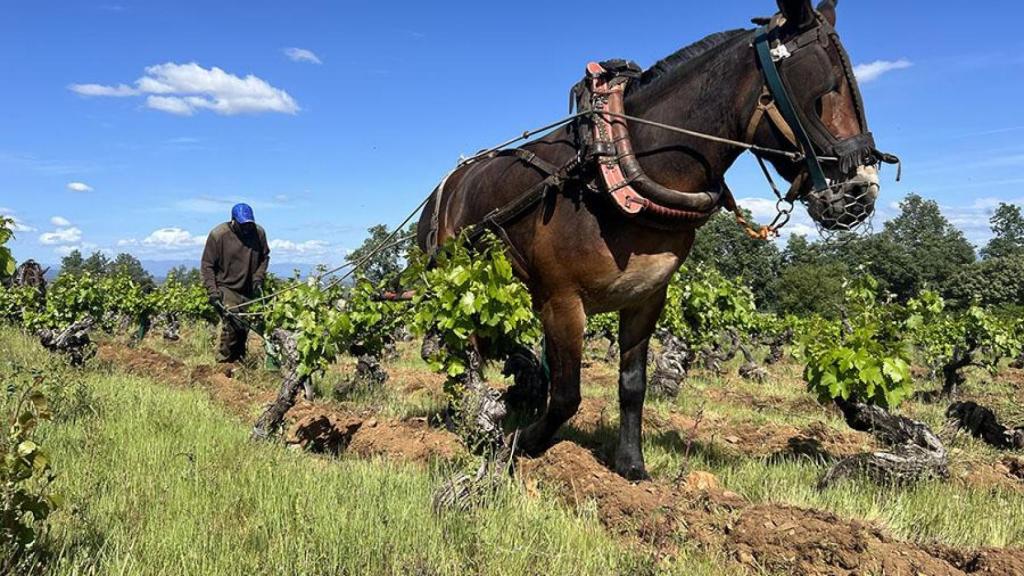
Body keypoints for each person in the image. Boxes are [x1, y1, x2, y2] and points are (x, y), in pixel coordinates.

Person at [201, 203, 271, 363]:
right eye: (242, 225)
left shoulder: (258, 233)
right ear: (233, 221)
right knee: (232, 322)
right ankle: (223, 362)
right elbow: (207, 265)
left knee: (244, 326)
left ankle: (238, 360)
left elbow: (265, 257)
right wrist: (212, 291)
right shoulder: (218, 235)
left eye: (249, 224)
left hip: (248, 288)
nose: (246, 228)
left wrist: (259, 276)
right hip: (226, 286)